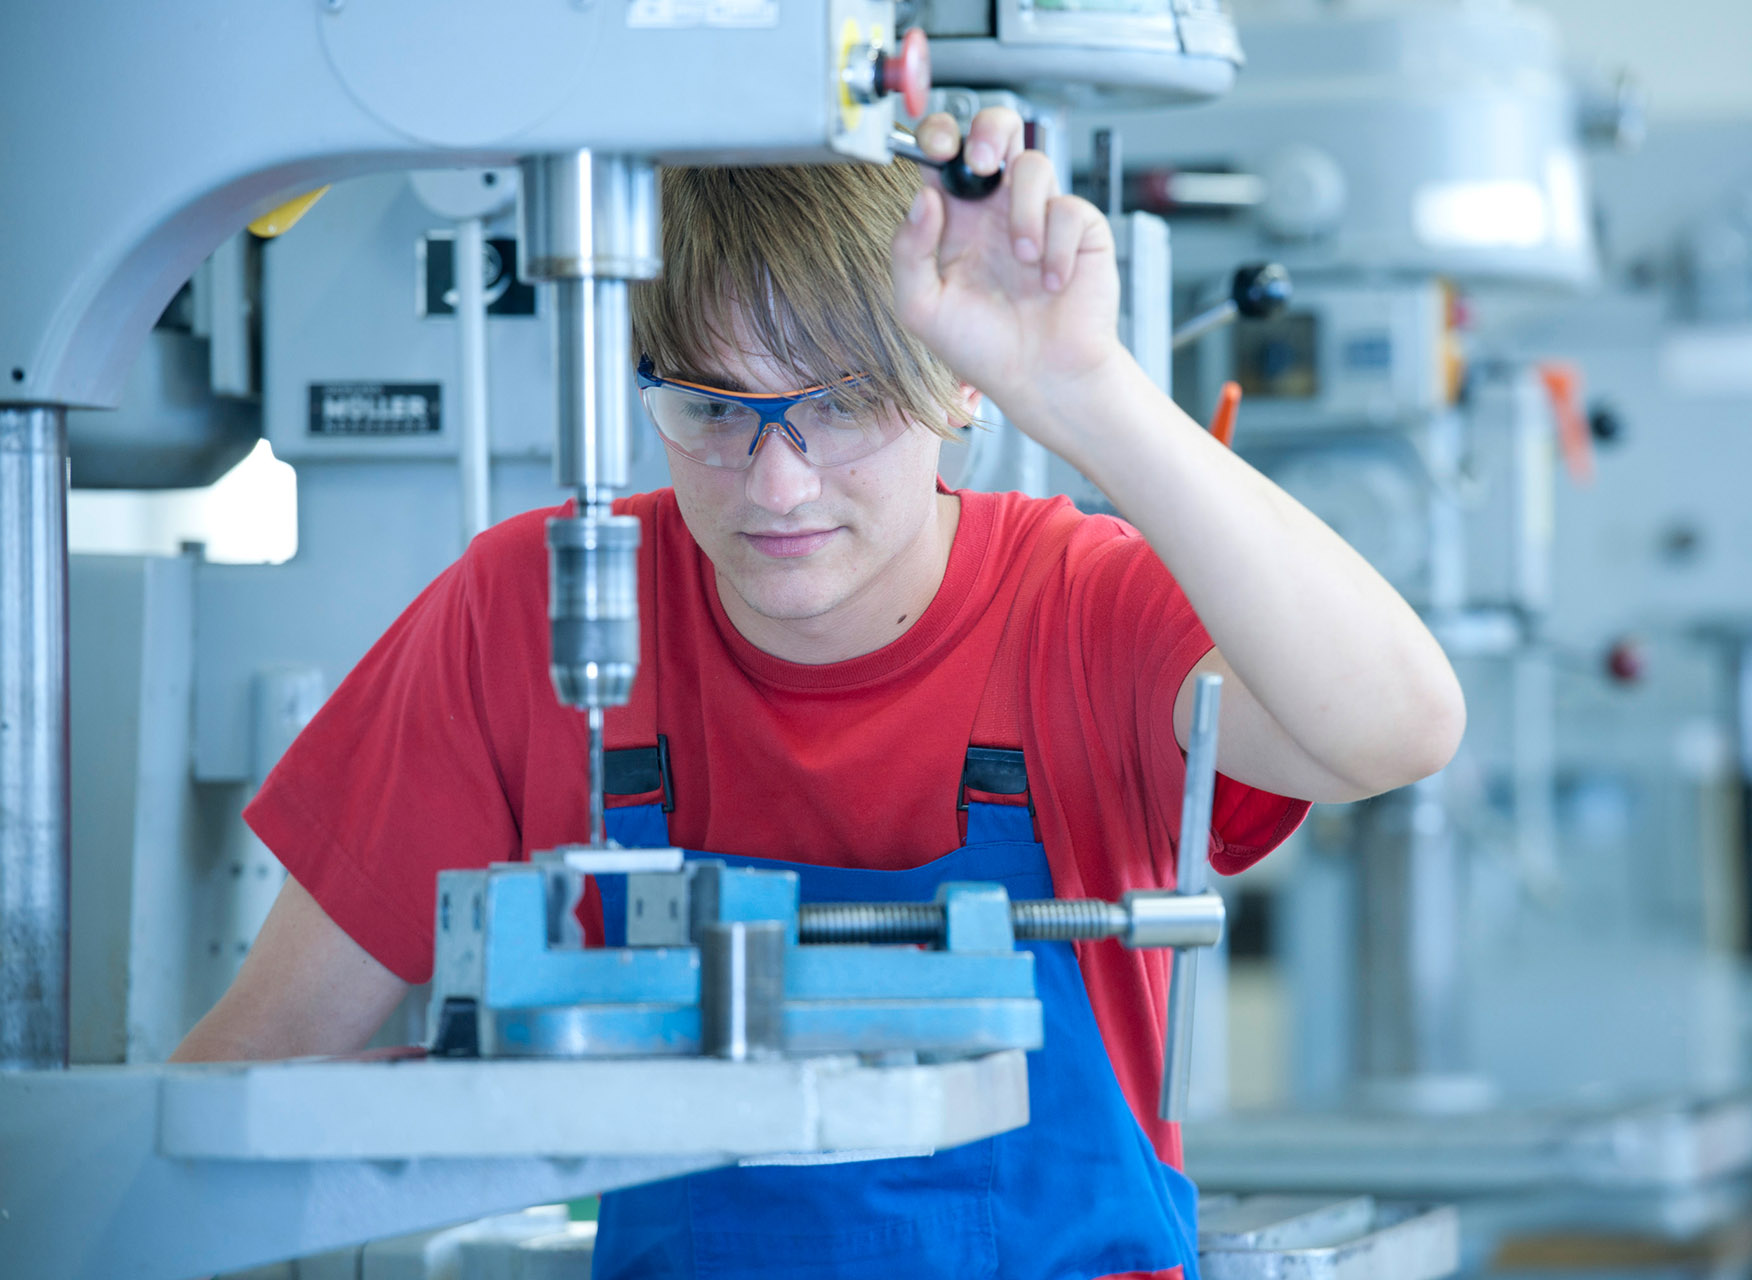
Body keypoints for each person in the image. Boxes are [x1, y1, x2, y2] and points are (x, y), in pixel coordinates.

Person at [172, 110, 1466, 1279]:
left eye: (840, 405)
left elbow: (1401, 728)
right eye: (711, 409)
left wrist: (1093, 395)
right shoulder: (545, 614)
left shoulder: (1080, 607)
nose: (774, 485)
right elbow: (248, 1088)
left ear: (958, 386)